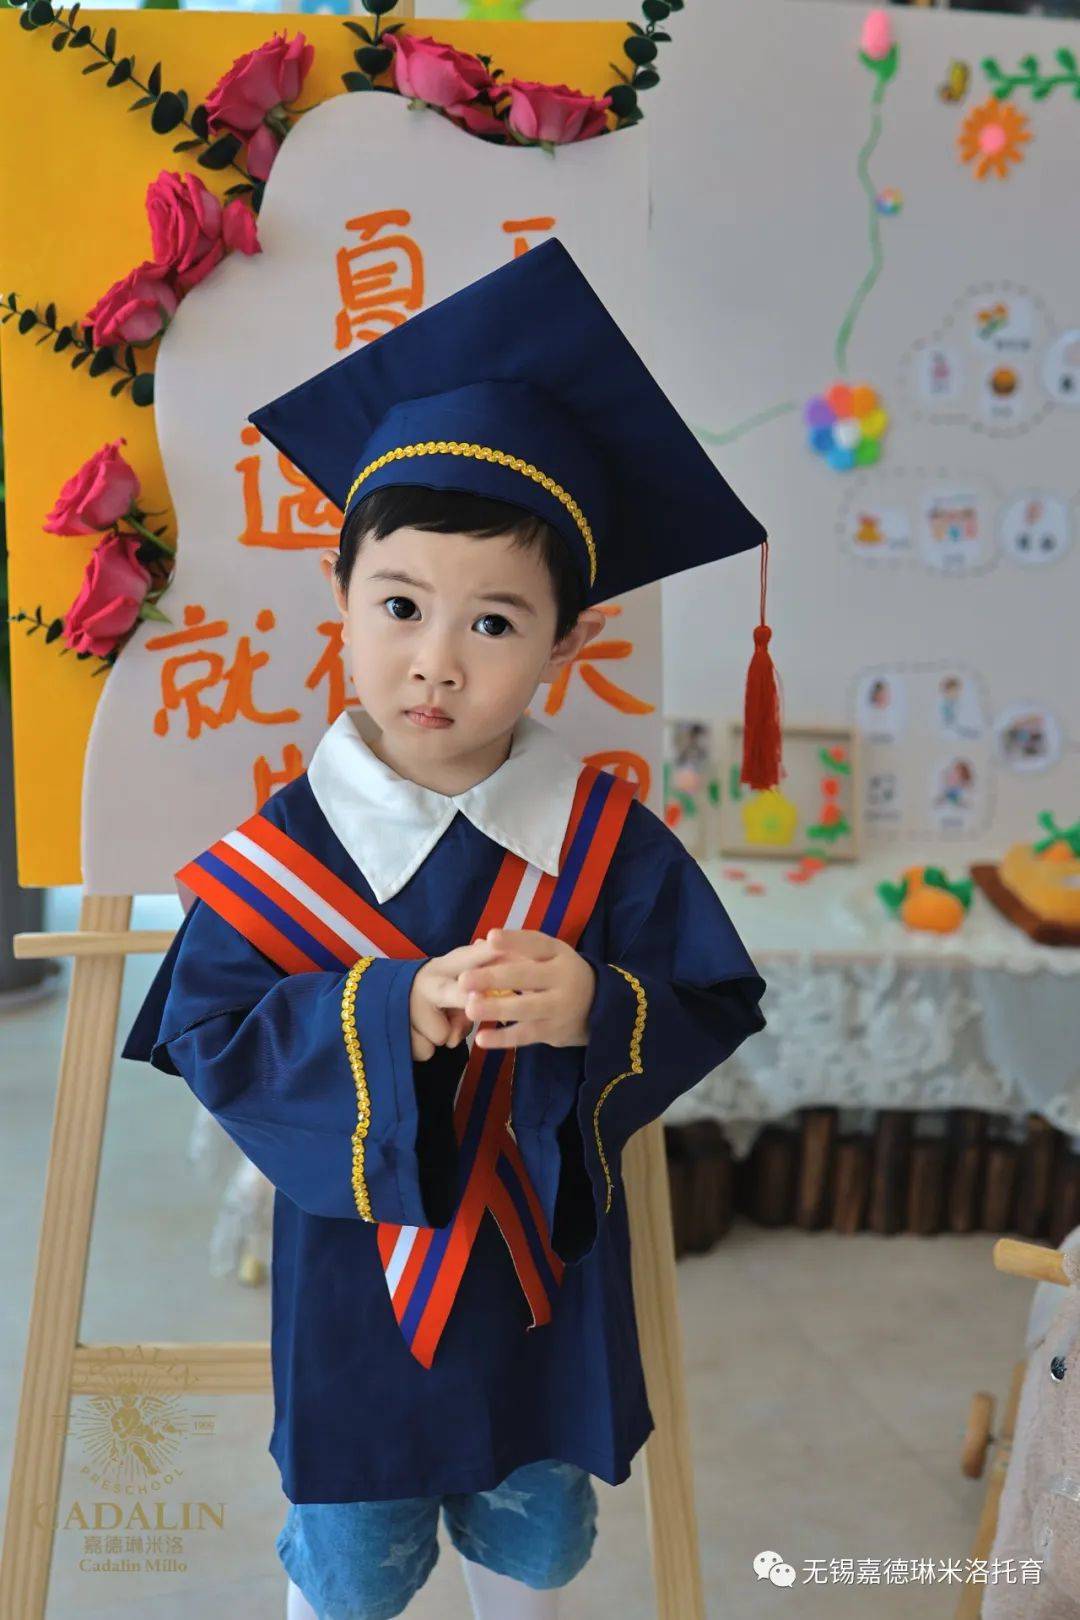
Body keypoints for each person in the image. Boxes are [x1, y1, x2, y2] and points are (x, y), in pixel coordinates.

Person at [122, 238, 773, 1620]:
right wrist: (383, 1012)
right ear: (341, 597)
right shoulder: (283, 855)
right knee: (350, 1565)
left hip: (544, 1283)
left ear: (563, 645)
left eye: (495, 623)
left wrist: (596, 1005)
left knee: (534, 1544)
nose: (436, 661)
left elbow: (709, 994)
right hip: (358, 1288)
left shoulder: (605, 841)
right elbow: (209, 1031)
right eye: (402, 606)